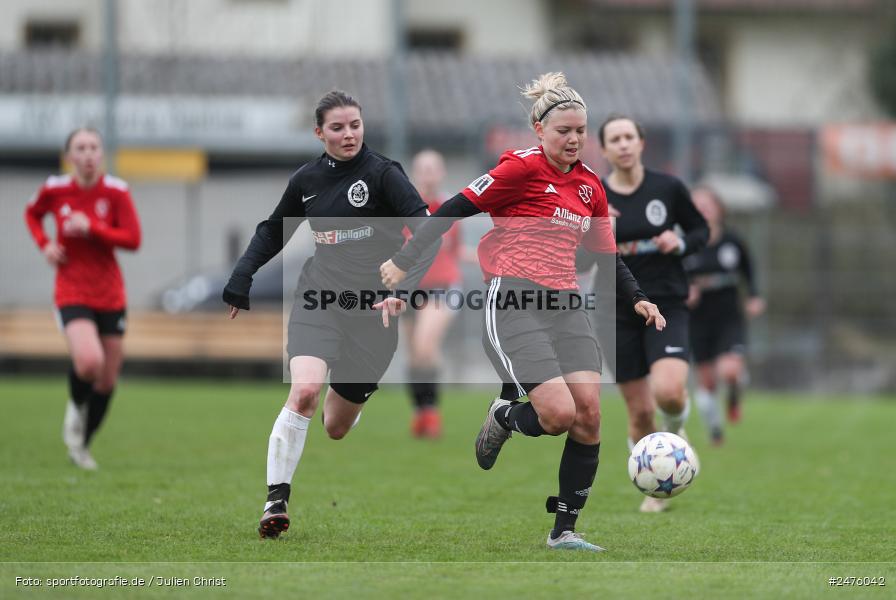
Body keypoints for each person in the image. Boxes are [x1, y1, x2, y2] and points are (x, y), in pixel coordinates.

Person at [380, 73, 665, 552]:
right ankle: (505, 416)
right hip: (514, 301)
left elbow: (607, 253)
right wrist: (404, 262)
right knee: (556, 415)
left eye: (580, 131)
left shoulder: (592, 187)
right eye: (563, 131)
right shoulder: (518, 170)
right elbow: (449, 210)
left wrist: (637, 296)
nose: (574, 139)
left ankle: (564, 531)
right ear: (538, 129)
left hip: (567, 304)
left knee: (590, 415)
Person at [222, 90, 439, 539]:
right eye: (337, 128)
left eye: (355, 125)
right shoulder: (308, 180)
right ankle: (275, 500)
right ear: (319, 132)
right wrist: (242, 274)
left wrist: (403, 288)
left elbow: (427, 233)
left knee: (336, 427)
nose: (348, 134)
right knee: (303, 392)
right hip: (318, 300)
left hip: (374, 312)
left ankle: (346, 405)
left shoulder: (384, 175)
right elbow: (272, 230)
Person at [592, 115, 709, 512]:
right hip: (614, 310)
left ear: (641, 143)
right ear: (604, 150)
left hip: (667, 303)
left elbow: (700, 232)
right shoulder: (593, 196)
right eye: (614, 139)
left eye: (630, 137)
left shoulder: (668, 188)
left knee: (670, 393)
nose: (623, 144)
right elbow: (572, 261)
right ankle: (654, 489)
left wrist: (679, 242)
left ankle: (675, 439)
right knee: (640, 409)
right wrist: (594, 232)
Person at [24, 127, 142, 470]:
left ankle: (81, 445)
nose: (88, 153)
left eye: (94, 147)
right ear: (70, 156)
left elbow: (133, 239)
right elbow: (31, 214)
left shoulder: (117, 191)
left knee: (107, 379)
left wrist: (92, 227)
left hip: (110, 292)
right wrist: (45, 245)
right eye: (81, 148)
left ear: (101, 153)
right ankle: (75, 412)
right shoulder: (55, 189)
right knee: (90, 363)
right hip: (71, 289)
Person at [684, 185, 765, 444]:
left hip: (728, 316)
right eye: (697, 207)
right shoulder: (684, 244)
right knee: (706, 382)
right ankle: (716, 431)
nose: (703, 211)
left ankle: (733, 395)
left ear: (719, 209)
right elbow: (673, 276)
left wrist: (753, 296)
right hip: (697, 320)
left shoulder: (733, 241)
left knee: (729, 371)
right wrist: (685, 291)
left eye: (708, 206)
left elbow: (748, 269)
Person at [403, 149, 463, 439]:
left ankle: (431, 413)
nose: (428, 173)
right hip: (408, 290)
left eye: (433, 168)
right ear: (414, 174)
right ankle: (420, 410)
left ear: (441, 173)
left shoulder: (450, 208)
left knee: (426, 347)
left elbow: (454, 250)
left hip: (443, 287)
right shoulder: (403, 209)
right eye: (422, 168)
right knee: (415, 355)